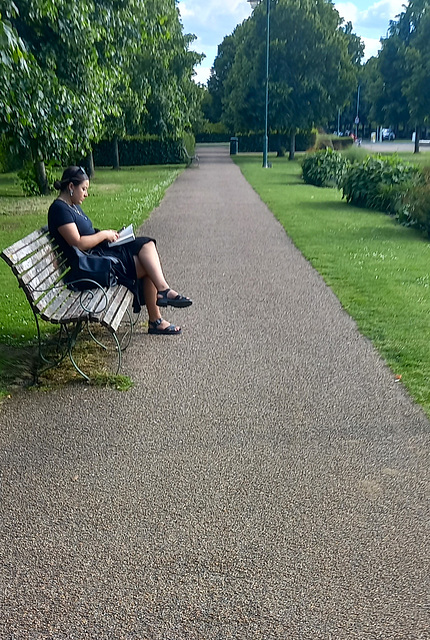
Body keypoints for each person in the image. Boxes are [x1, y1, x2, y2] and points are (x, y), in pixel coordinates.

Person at [48, 166, 192, 335]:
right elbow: (78, 242)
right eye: (84, 189)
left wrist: (112, 235)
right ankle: (157, 315)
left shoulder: (71, 206)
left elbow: (86, 234)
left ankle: (162, 294)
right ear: (71, 187)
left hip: (97, 256)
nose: (86, 194)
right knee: (147, 264)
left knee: (146, 244)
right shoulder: (59, 209)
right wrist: (103, 234)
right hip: (88, 268)